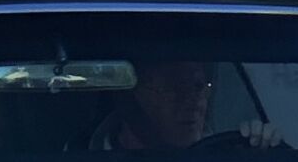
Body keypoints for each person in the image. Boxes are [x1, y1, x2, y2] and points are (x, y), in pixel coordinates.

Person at [90, 61, 282, 150]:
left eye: (198, 86)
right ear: (132, 95)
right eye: (173, 88)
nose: (193, 101)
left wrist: (260, 151)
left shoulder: (228, 153)